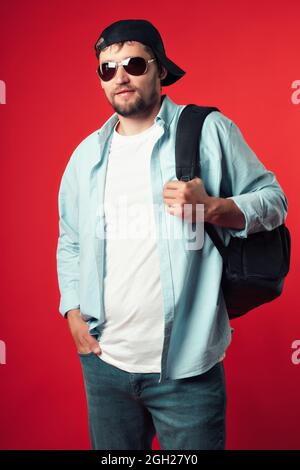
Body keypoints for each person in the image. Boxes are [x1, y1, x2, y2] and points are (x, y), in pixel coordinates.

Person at [56, 19, 288, 450]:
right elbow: (70, 238)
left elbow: (275, 202)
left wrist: (215, 208)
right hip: (104, 367)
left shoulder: (208, 131)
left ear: (160, 69)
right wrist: (72, 308)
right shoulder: (86, 155)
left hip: (188, 370)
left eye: (133, 63)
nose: (120, 77)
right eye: (108, 69)